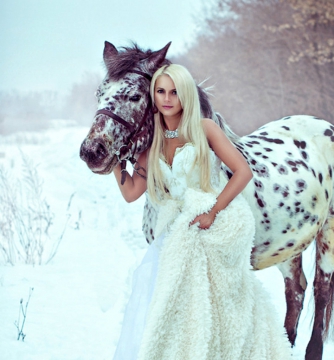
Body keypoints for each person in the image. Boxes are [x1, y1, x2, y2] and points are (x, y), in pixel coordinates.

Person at [111, 64, 291, 360]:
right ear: (153, 95)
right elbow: (131, 192)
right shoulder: (151, 142)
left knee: (214, 304)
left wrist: (213, 212)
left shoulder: (204, 128)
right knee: (160, 295)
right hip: (175, 227)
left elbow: (242, 172)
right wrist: (113, 158)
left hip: (211, 219)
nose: (167, 99)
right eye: (161, 91)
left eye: (175, 92)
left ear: (186, 96)